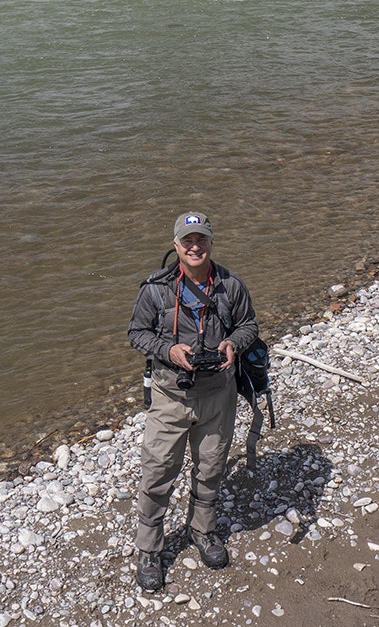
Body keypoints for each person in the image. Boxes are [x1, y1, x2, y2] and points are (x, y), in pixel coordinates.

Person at [127, 211, 259, 593]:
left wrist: (233, 343)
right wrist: (169, 351)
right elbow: (136, 333)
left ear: (211, 243)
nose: (195, 246)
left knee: (211, 468)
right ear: (176, 246)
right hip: (170, 396)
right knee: (157, 473)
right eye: (187, 241)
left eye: (201, 239)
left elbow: (249, 325)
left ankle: (202, 531)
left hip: (218, 394)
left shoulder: (231, 286)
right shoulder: (155, 289)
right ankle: (149, 549)